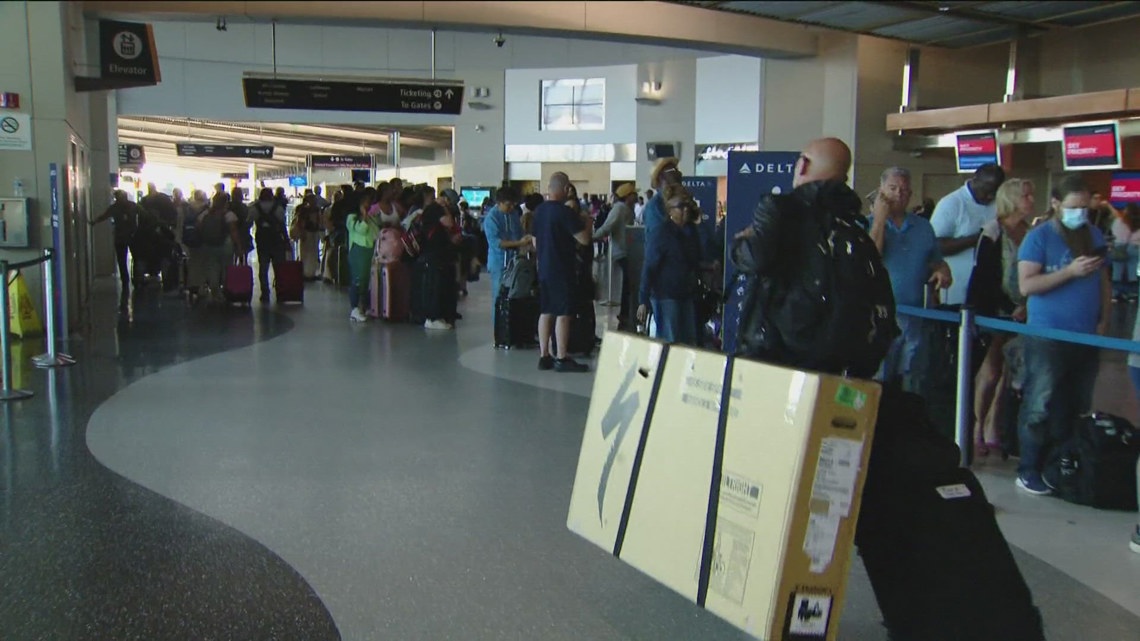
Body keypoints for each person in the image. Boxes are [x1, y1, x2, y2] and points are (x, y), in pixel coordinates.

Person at [730, 137, 896, 376]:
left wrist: (740, 243)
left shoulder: (780, 209)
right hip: (836, 362)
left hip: (776, 356)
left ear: (803, 166)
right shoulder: (852, 225)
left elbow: (755, 258)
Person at [1016, 174, 1111, 496]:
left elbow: (1103, 280)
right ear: (1056, 204)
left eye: (1085, 207)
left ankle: (1063, 465)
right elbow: (1027, 285)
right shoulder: (1039, 237)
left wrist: (1104, 320)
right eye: (1074, 207)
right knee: (1040, 403)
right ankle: (1028, 467)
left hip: (1086, 336)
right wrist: (1069, 272)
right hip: (1047, 335)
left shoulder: (1093, 233)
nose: (1080, 213)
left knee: (1076, 404)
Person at [867, 167, 951, 390]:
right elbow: (871, 258)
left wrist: (942, 270)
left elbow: (935, 260)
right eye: (892, 189)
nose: (898, 195)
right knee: (877, 380)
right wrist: (879, 220)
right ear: (881, 191)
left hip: (916, 318)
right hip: (878, 318)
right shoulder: (865, 224)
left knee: (912, 381)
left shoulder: (923, 227)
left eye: (904, 190)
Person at [967, 178, 1034, 458]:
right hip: (995, 310)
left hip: (1023, 310)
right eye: (1026, 195)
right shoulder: (993, 232)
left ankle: (995, 425)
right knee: (991, 370)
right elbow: (985, 276)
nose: (1031, 200)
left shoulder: (1030, 232)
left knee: (1008, 372)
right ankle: (976, 427)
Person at [533, 172, 591, 372]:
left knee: (546, 310)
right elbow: (584, 239)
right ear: (566, 189)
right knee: (564, 313)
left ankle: (544, 355)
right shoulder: (564, 213)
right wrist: (586, 222)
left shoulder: (539, 211)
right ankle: (562, 356)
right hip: (562, 268)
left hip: (544, 268)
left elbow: (534, 240)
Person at [930, 163, 1006, 306]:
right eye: (987, 190)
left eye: (995, 192)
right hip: (956, 292)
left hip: (989, 290)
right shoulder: (952, 203)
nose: (990, 196)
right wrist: (977, 240)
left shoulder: (998, 204)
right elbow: (935, 247)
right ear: (975, 180)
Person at [637, 187, 702, 345]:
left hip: (686, 293)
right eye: (680, 207)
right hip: (666, 295)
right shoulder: (661, 233)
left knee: (689, 340)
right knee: (670, 341)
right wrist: (643, 299)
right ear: (670, 211)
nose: (685, 210)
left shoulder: (691, 231)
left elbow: (695, 260)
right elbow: (650, 266)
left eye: (687, 206)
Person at [483, 186, 534, 321]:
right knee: (499, 296)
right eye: (508, 205)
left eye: (513, 204)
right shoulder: (491, 218)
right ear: (498, 203)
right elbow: (497, 243)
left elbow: (519, 234)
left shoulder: (513, 214)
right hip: (499, 262)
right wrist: (520, 243)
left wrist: (526, 240)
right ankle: (499, 329)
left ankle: (513, 328)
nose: (511, 207)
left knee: (516, 294)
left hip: (515, 260)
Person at [594, 183, 637, 331]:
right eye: (633, 194)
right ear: (628, 196)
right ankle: (624, 315)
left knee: (627, 285)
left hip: (625, 251)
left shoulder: (624, 209)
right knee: (627, 286)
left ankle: (625, 315)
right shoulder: (619, 209)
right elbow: (607, 227)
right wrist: (591, 238)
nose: (636, 197)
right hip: (622, 252)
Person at [90, 190, 141, 294]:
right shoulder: (133, 206)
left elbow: (103, 216)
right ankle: (136, 280)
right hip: (132, 236)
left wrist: (94, 222)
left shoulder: (115, 207)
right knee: (136, 259)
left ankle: (126, 281)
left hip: (121, 237)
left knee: (122, 261)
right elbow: (145, 215)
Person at [345, 190, 380, 322]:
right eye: (365, 201)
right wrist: (364, 215)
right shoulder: (351, 218)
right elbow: (361, 229)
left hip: (369, 250)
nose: (368, 203)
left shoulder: (372, 217)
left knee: (367, 281)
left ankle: (364, 306)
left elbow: (376, 231)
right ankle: (354, 308)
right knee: (358, 279)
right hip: (358, 251)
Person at [1109, 203, 1140, 302]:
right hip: (1135, 248)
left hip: (1119, 248)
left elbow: (1114, 233)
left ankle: (1115, 294)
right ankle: (1132, 294)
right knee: (1132, 272)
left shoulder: (1119, 221)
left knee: (1117, 272)